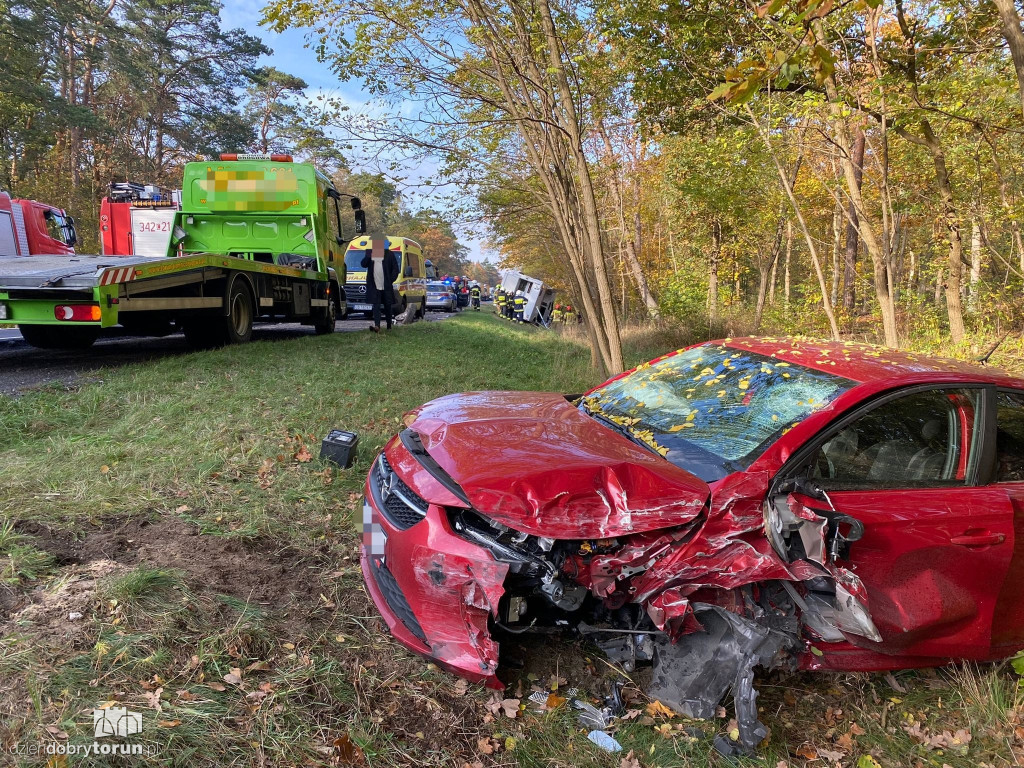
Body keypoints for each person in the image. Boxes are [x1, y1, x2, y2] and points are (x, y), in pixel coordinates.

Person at [360, 239, 399, 332]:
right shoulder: (370, 253)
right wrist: (368, 255)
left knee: (387, 306)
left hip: (386, 285)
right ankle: (377, 326)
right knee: (376, 305)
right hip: (374, 285)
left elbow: (395, 270)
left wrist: (390, 280)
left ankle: (389, 326)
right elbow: (363, 264)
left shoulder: (390, 254)